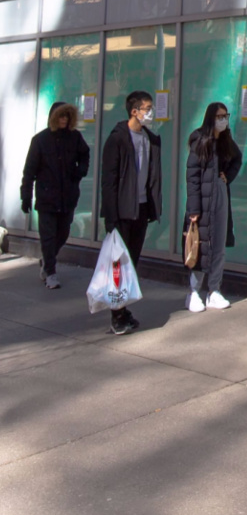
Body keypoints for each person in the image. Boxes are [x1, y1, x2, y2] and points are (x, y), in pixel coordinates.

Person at [100, 90, 162, 335]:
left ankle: (123, 310)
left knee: (131, 262)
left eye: (151, 107)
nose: (150, 112)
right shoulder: (117, 139)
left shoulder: (150, 138)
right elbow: (109, 180)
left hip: (141, 208)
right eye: (147, 108)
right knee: (119, 264)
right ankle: (117, 314)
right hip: (122, 211)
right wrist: (111, 217)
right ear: (134, 111)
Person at [20, 102, 90, 290]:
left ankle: (47, 260)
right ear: (53, 118)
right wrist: (26, 196)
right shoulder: (40, 140)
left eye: (67, 117)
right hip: (47, 196)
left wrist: (80, 171)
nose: (64, 120)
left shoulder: (75, 138)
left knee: (63, 232)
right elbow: (29, 171)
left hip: (67, 195)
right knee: (48, 235)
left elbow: (85, 154)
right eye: (60, 116)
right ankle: (50, 272)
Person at [184, 102, 242, 313]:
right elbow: (192, 177)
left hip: (220, 195)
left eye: (225, 116)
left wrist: (227, 177)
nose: (223, 120)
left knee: (218, 245)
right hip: (202, 200)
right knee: (199, 246)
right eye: (219, 116)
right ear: (211, 118)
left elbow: (237, 159)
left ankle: (214, 290)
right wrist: (193, 209)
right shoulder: (200, 140)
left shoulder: (226, 140)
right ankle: (193, 292)